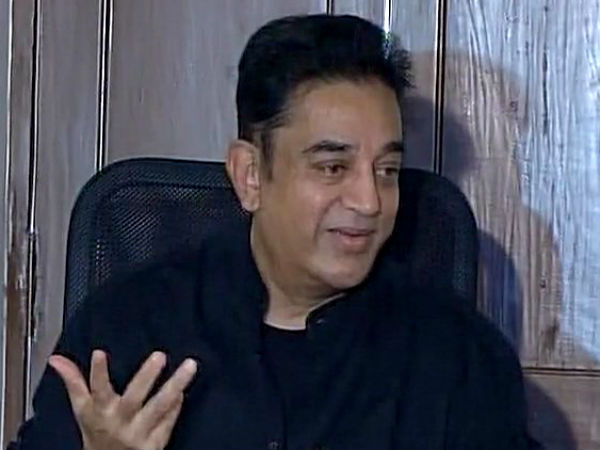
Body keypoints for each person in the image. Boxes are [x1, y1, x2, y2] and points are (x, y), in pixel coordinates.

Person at [9, 14, 540, 450]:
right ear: (250, 176)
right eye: (333, 167)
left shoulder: (456, 355)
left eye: (387, 170)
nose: (369, 202)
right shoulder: (128, 329)